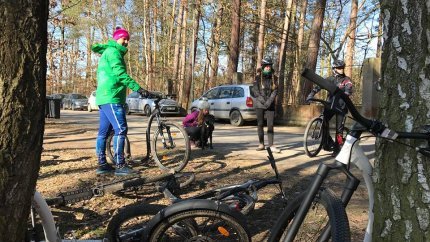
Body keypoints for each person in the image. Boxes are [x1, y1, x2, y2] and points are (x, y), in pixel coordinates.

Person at [92, 27, 148, 176]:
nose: (127, 42)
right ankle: (120, 164)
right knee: (121, 129)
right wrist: (138, 88)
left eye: (128, 39)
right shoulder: (114, 52)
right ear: (117, 38)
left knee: (103, 132)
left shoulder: (107, 52)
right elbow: (120, 74)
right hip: (112, 97)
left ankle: (102, 164)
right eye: (124, 38)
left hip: (104, 97)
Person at [306, 59, 353, 156]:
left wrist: (346, 93)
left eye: (342, 68)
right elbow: (318, 87)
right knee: (324, 123)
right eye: (339, 68)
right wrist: (311, 95)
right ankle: (328, 143)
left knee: (339, 130)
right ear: (334, 69)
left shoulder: (346, 80)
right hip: (330, 105)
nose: (341, 69)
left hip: (341, 107)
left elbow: (349, 90)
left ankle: (338, 149)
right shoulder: (330, 79)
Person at [252, 57, 281, 153]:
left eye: (269, 66)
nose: (268, 68)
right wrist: (263, 101)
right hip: (259, 104)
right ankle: (261, 144)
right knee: (260, 124)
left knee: (270, 125)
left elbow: (275, 91)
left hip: (270, 104)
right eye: (266, 66)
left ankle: (271, 145)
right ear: (263, 67)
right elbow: (255, 91)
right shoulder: (257, 77)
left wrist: (269, 102)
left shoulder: (275, 78)